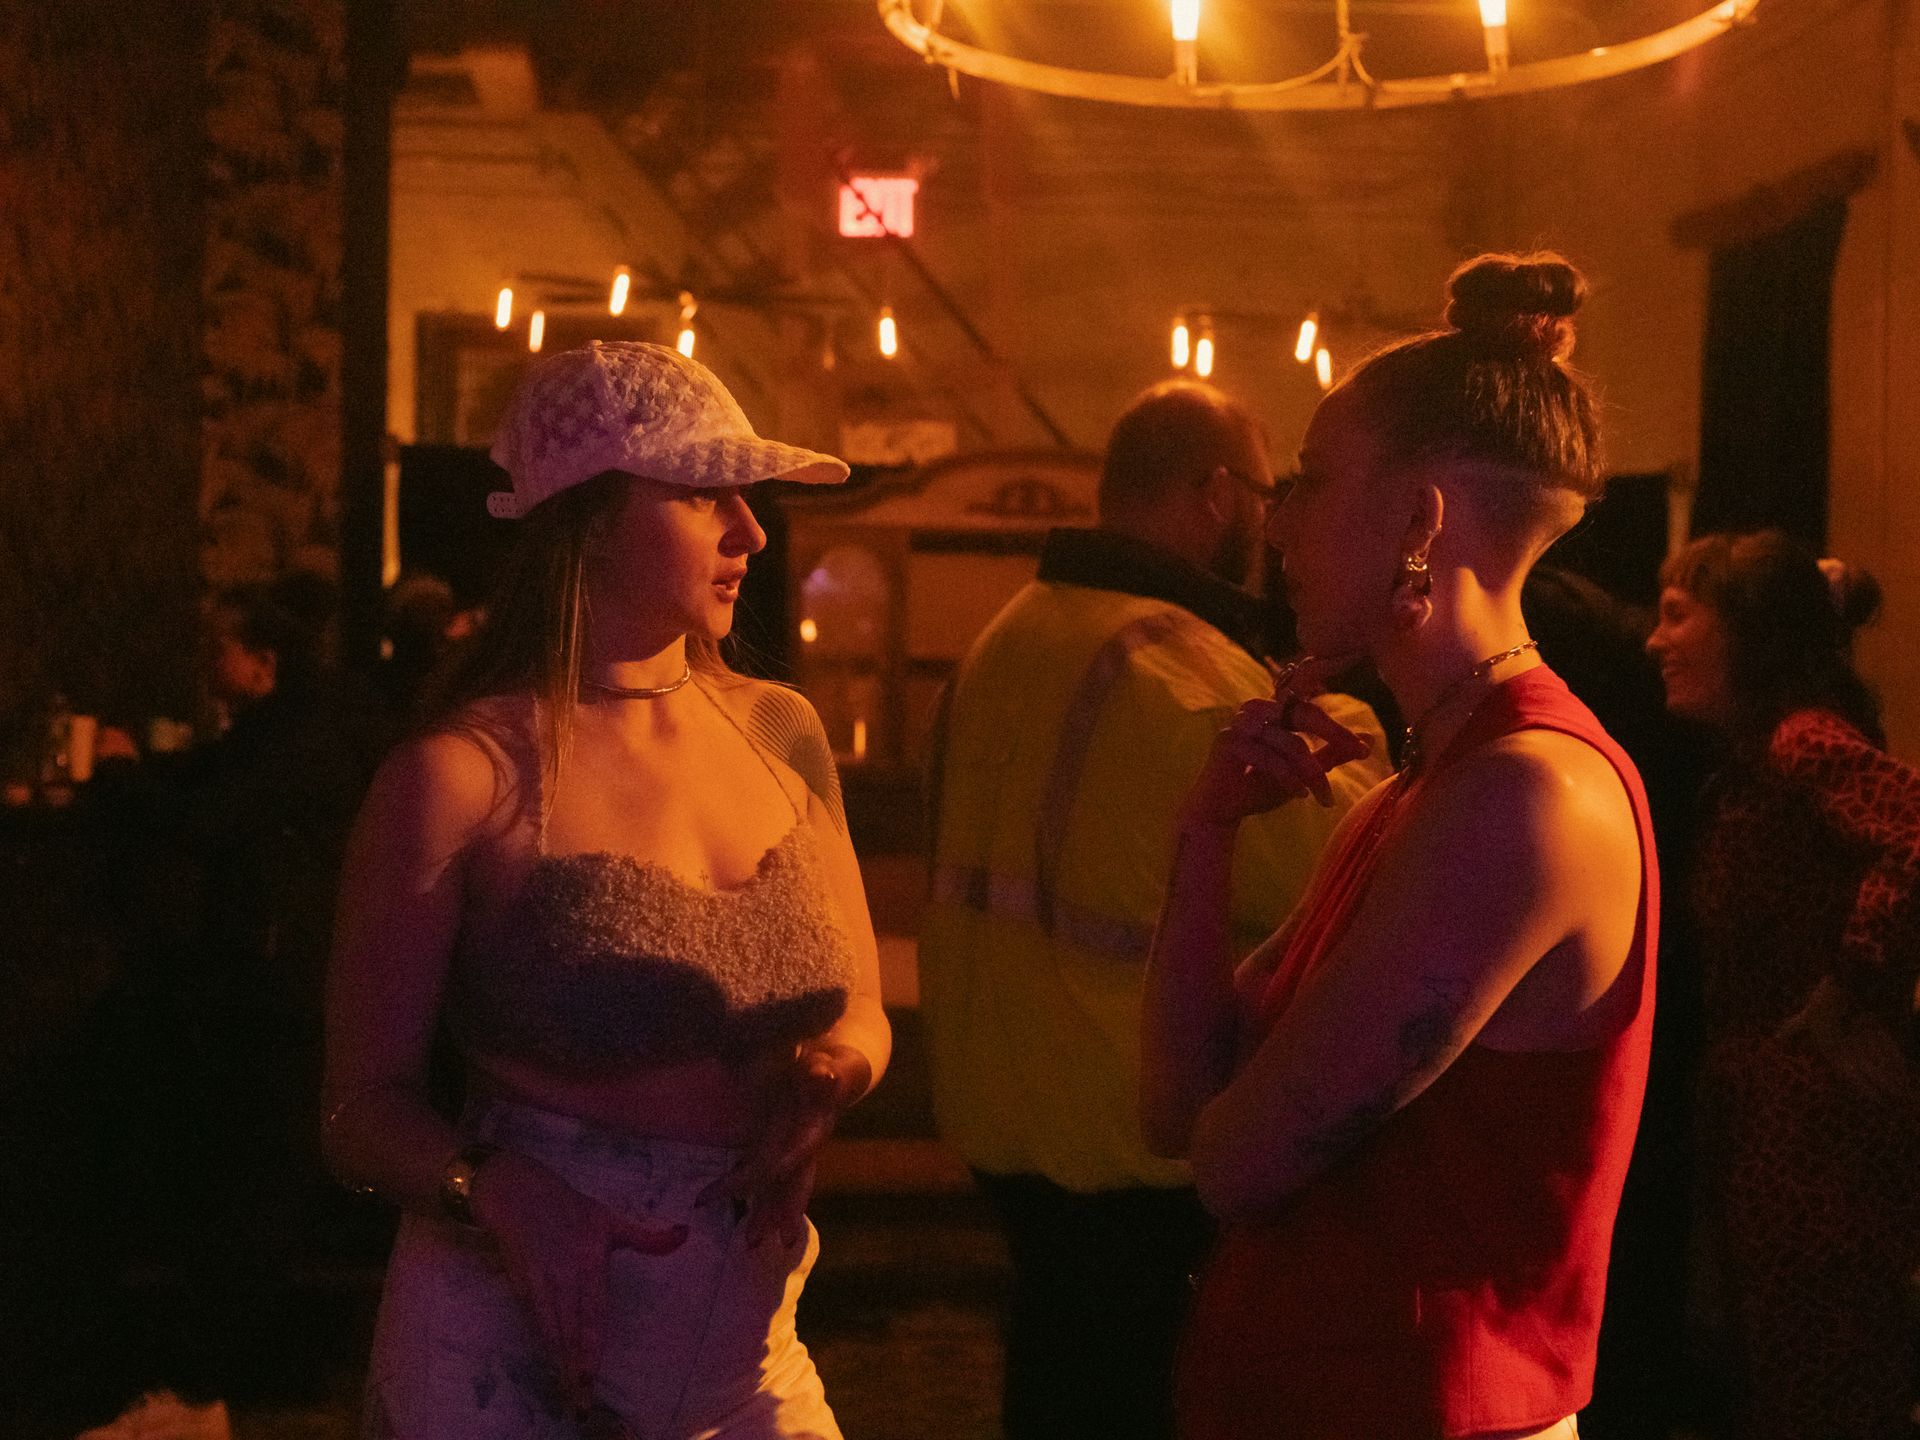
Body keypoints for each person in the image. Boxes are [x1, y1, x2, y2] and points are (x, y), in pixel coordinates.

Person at [322, 340, 890, 1440]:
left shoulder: (779, 730)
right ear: (585, 515)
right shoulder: (462, 775)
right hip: (503, 1342)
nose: (751, 530)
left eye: (749, 494)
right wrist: (489, 1186)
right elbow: (358, 1110)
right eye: (702, 493)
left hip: (736, 1345)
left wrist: (828, 1075)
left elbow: (862, 1003)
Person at [1143, 253, 1657, 1440]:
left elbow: (1233, 1164)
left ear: (1421, 520)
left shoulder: (1522, 797)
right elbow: (1174, 1110)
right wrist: (1206, 831)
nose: (1277, 522)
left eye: (1312, 482)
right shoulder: (1420, 786)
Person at [919, 379, 1389, 1440]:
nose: (1282, 529)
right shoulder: (1176, 668)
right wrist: (1361, 709)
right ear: (1217, 493)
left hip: (1003, 1127)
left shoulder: (1005, 637)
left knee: (1051, 1392)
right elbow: (1356, 865)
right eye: (1275, 496)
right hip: (1131, 1142)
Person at [1646, 529, 1920, 1440]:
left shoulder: (1804, 739)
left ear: (1748, 631)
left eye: (1679, 616)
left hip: (1815, 1130)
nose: (1654, 640)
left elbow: (1915, 833)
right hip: (1768, 1120)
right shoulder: (1750, 760)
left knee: (1822, 1388)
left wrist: (1851, 988)